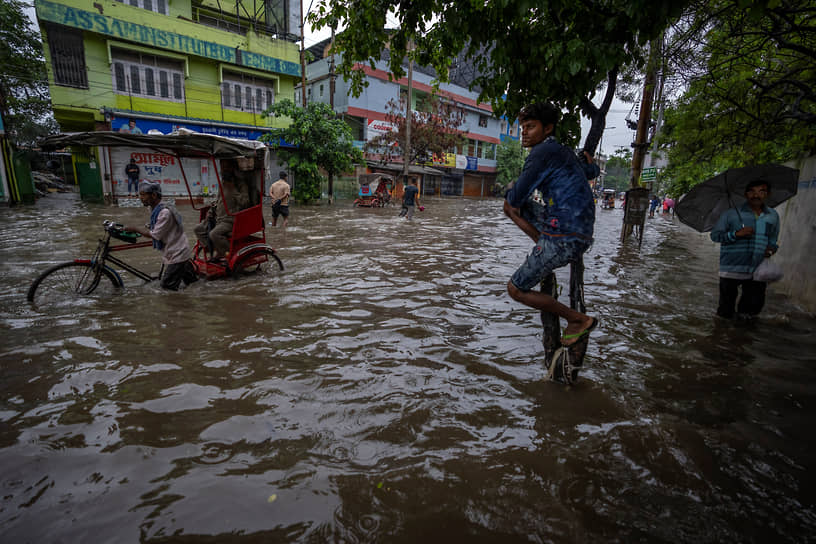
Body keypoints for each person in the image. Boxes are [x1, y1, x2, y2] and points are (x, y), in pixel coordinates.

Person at [503, 102, 599, 346]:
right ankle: (543, 244)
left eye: (531, 127)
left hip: (565, 235)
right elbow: (591, 171)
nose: (524, 132)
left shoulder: (540, 154)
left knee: (516, 289)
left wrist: (513, 191)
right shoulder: (562, 151)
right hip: (579, 230)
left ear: (547, 129)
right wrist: (591, 164)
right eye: (523, 127)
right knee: (518, 206)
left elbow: (515, 198)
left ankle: (577, 319)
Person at [710, 179, 780, 319]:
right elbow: (715, 235)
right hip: (731, 267)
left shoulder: (772, 215)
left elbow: (773, 238)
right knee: (725, 311)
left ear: (767, 194)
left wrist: (771, 249)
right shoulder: (730, 214)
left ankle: (741, 337)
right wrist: (736, 234)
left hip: (757, 269)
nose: (756, 195)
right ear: (746, 194)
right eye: (752, 191)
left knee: (751, 311)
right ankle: (723, 337)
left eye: (761, 191)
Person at [124, 181, 198, 290]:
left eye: (143, 194)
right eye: (140, 194)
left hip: (177, 253)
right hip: (176, 249)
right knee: (192, 283)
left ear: (153, 195)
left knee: (167, 287)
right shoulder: (154, 208)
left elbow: (155, 235)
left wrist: (135, 228)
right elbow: (157, 225)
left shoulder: (165, 212)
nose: (141, 198)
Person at [197, 175, 250, 261]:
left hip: (229, 220)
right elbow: (217, 201)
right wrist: (210, 211)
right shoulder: (222, 186)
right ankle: (216, 248)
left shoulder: (239, 186)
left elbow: (245, 203)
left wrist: (233, 191)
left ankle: (229, 253)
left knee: (213, 234)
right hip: (218, 217)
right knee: (198, 229)